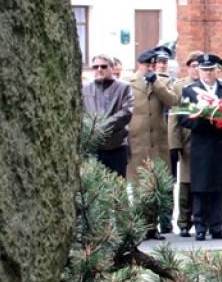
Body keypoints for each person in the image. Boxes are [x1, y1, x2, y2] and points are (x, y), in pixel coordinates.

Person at [176, 53, 222, 241]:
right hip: (201, 145)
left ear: (217, 71)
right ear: (198, 71)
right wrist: (206, 121)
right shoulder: (190, 91)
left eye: (211, 70)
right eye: (204, 70)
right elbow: (182, 118)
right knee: (201, 188)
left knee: (219, 188)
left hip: (221, 145)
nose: (208, 73)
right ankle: (200, 227)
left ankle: (217, 226)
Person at [125, 48, 179, 238]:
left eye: (152, 66)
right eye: (147, 65)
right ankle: (141, 226)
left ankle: (152, 227)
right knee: (140, 186)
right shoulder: (128, 82)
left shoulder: (162, 82)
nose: (149, 69)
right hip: (137, 141)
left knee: (156, 185)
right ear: (140, 65)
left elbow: (173, 102)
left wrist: (156, 83)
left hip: (158, 143)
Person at [82, 53, 134, 177]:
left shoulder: (124, 88)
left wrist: (102, 126)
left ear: (112, 67)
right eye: (95, 67)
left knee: (117, 190)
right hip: (92, 149)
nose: (99, 69)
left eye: (103, 66)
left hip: (116, 148)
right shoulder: (85, 89)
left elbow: (127, 112)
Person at [169, 51, 202, 237]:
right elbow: (174, 117)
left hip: (204, 141)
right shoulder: (180, 86)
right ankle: (183, 222)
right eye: (193, 66)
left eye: (199, 66)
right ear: (188, 67)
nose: (196, 69)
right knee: (186, 184)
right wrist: (174, 144)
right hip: (187, 139)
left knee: (204, 183)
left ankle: (201, 221)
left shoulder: (208, 85)